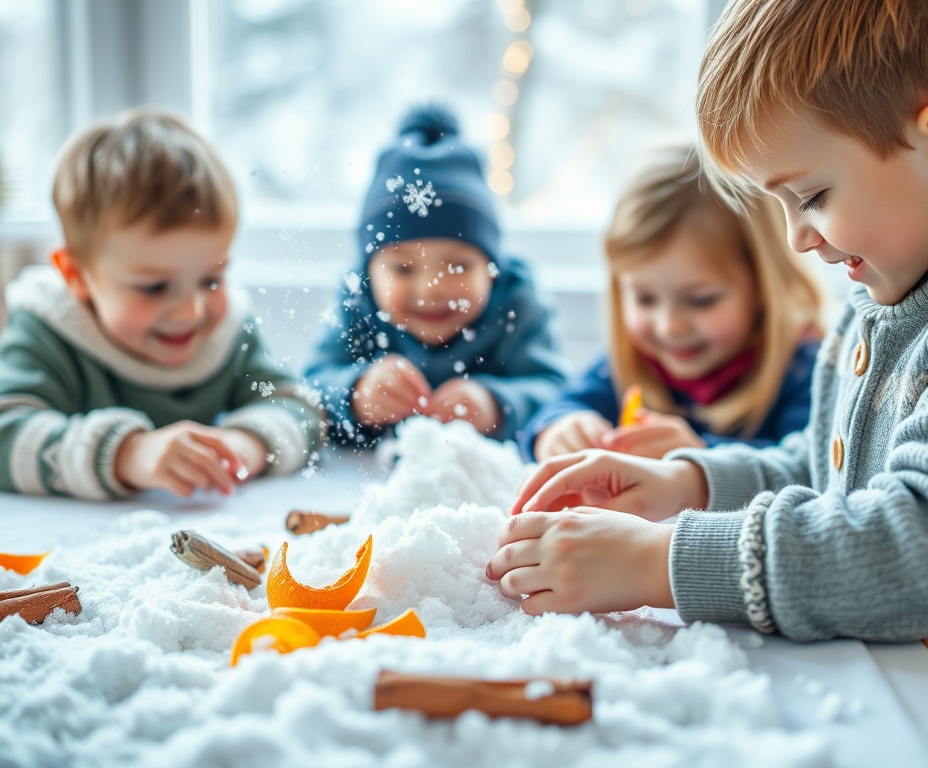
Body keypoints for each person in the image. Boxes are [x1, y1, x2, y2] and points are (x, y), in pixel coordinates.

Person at [487, 0, 928, 745]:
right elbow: (837, 478)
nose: (797, 237)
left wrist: (662, 560)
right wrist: (694, 483)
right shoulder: (890, 294)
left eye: (811, 198)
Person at [0, 110, 322, 499]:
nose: (191, 311)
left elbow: (300, 407)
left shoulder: (229, 332)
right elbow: (8, 430)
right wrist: (126, 455)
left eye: (211, 279)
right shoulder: (46, 332)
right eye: (153, 288)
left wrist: (245, 445)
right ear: (77, 276)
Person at [519, 145, 823, 462]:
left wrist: (699, 459)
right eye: (645, 298)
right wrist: (559, 430)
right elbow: (556, 411)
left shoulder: (807, 372)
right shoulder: (629, 366)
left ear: (764, 286)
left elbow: (806, 470)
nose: (669, 326)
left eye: (701, 300)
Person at [306, 105, 568, 447]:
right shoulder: (357, 299)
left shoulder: (516, 303)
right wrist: (356, 394)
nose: (431, 290)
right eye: (403, 268)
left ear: (493, 268)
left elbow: (557, 392)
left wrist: (495, 406)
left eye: (458, 266)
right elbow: (308, 387)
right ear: (368, 270)